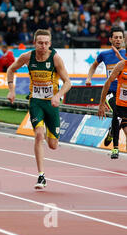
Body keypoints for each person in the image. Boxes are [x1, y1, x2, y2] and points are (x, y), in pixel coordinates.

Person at [7, 29, 71, 189]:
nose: (43, 46)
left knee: (53, 145)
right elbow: (10, 69)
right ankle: (41, 176)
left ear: (50, 44)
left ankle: (52, 135)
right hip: (36, 102)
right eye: (40, 43)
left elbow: (68, 82)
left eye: (46, 43)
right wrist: (11, 90)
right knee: (38, 135)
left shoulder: (55, 58)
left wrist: (58, 95)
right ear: (34, 43)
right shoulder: (27, 57)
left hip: (52, 103)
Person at [86, 26, 126, 158]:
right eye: (116, 37)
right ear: (110, 39)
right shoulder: (104, 54)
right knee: (116, 111)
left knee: (120, 118)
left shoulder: (125, 54)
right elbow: (93, 66)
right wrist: (89, 78)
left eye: (120, 37)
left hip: (123, 93)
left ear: (123, 39)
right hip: (110, 92)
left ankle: (111, 132)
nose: (118, 40)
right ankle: (115, 148)